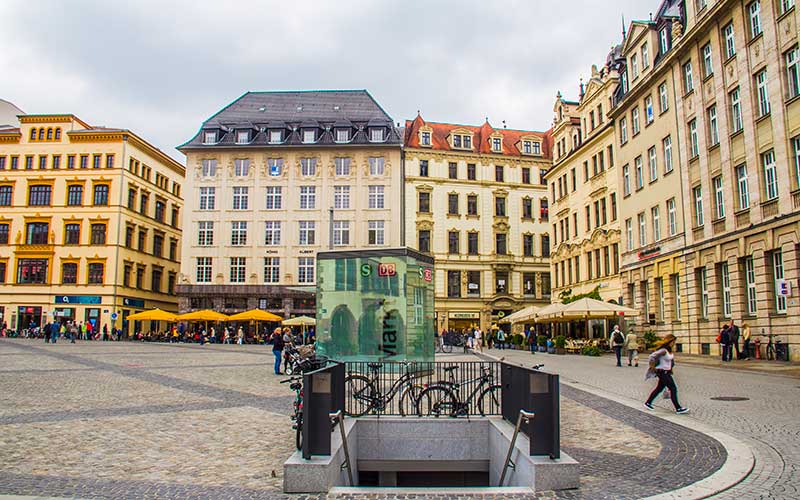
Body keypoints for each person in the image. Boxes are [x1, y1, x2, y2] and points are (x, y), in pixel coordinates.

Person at [644, 334, 688, 414]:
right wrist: (653, 367)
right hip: (662, 372)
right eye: (673, 342)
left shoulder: (668, 350)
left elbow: (670, 361)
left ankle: (648, 402)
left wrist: (671, 368)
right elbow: (652, 357)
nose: (674, 344)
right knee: (673, 388)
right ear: (670, 341)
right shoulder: (663, 350)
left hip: (667, 372)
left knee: (659, 389)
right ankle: (678, 408)